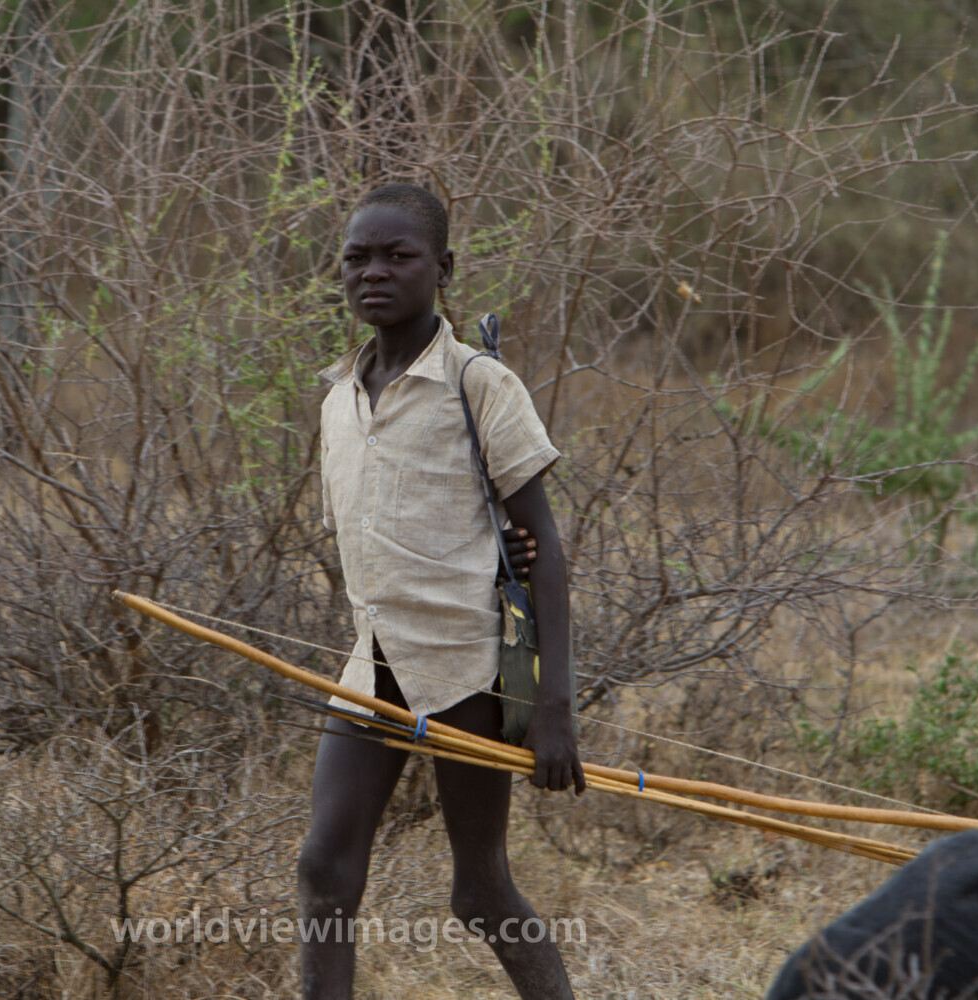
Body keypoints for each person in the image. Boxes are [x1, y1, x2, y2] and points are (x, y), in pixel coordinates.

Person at [301, 182, 583, 999]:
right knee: (325, 868)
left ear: (444, 268)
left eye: (399, 256)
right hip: (371, 668)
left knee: (481, 890)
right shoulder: (339, 400)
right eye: (358, 258)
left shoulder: (481, 386)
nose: (374, 273)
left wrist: (556, 710)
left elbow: (546, 551)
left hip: (468, 671)